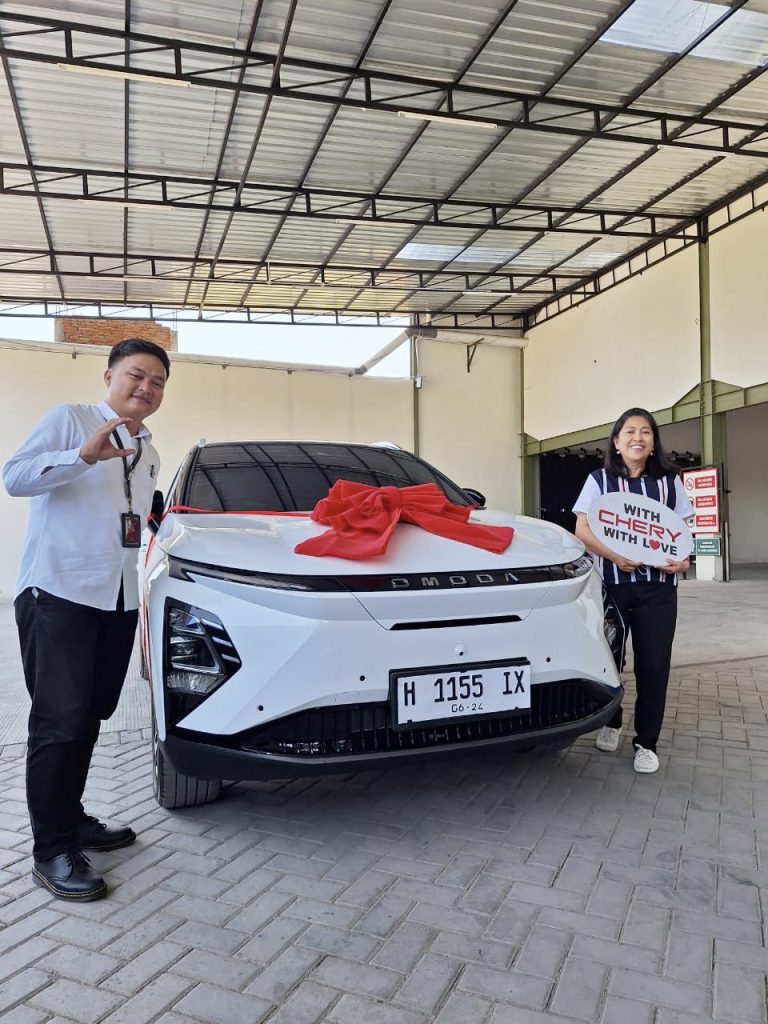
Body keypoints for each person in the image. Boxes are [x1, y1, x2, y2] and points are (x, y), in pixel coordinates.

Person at [3, 338, 170, 900]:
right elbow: (15, 477)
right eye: (137, 375)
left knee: (92, 714)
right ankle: (50, 849)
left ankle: (71, 819)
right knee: (59, 721)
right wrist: (82, 456)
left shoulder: (148, 450)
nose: (146, 388)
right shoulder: (69, 420)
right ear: (109, 376)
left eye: (157, 382)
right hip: (59, 592)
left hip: (117, 599)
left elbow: (133, 519)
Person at [572, 408, 693, 774]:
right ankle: (612, 721)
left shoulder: (669, 482)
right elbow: (582, 529)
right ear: (616, 441)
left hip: (658, 590)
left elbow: (683, 533)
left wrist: (683, 562)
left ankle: (647, 742)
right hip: (612, 586)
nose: (637, 437)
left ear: (653, 442)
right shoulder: (599, 480)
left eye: (645, 432)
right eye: (629, 431)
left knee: (654, 664)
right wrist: (615, 556)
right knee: (610, 660)